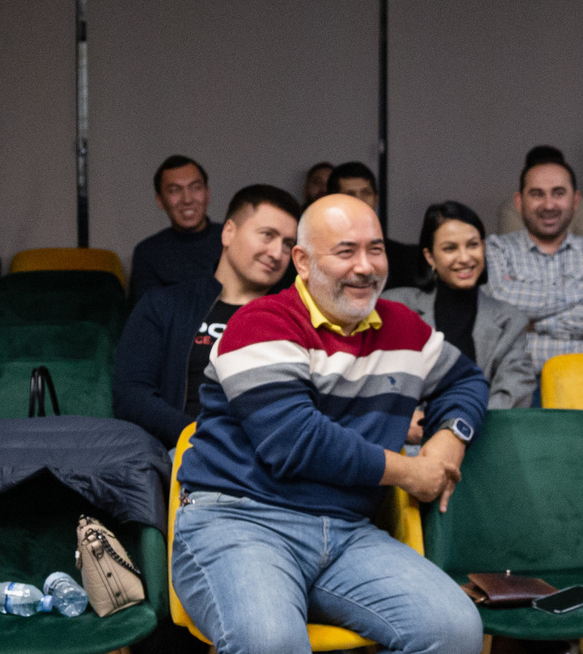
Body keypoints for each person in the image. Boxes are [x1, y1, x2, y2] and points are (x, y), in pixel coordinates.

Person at [173, 193, 487, 654]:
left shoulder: (403, 326)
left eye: (375, 249)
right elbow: (292, 443)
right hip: (237, 519)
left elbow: (465, 378)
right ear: (302, 260)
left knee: (453, 627)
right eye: (345, 251)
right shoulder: (260, 322)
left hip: (343, 533)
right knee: (267, 644)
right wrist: (410, 469)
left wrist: (447, 440)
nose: (365, 265)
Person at [114, 185, 302, 448]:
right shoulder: (164, 305)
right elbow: (131, 395)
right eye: (267, 235)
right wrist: (198, 436)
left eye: (288, 244)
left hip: (266, 458)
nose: (276, 253)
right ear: (228, 232)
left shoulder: (294, 317)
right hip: (182, 454)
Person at [485, 149, 583, 394]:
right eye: (537, 194)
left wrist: (534, 323)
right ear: (519, 202)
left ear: (575, 201)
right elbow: (501, 299)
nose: (548, 205)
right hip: (519, 386)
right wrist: (580, 295)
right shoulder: (496, 248)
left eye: (558, 193)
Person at [385, 201, 538, 410]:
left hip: (482, 435)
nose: (465, 258)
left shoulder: (510, 320)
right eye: (450, 248)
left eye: (473, 245)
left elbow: (513, 395)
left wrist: (458, 429)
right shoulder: (397, 307)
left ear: (483, 246)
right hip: (406, 436)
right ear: (430, 256)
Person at [129, 155, 219, 302]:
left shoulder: (234, 241)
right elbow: (147, 313)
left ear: (207, 194)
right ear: (160, 200)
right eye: (175, 191)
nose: (187, 200)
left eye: (195, 188)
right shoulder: (148, 252)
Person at [326, 161, 428, 287]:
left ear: (376, 198)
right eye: (350, 194)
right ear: (331, 201)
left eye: (366, 193)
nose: (360, 201)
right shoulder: (322, 255)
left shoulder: (406, 259)